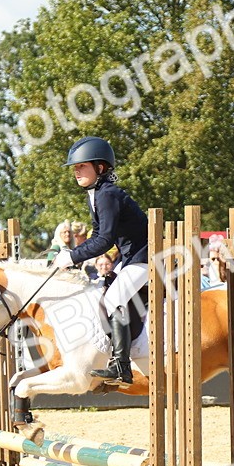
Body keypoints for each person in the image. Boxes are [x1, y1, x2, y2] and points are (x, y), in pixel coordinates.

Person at [50, 136, 148, 393]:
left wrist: (72, 256)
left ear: (100, 167)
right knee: (103, 296)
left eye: (82, 166)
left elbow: (105, 240)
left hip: (145, 256)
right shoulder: (95, 195)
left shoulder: (108, 194)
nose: (76, 171)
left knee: (113, 299)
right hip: (129, 257)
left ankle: (122, 366)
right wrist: (74, 253)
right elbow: (98, 235)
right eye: (75, 167)